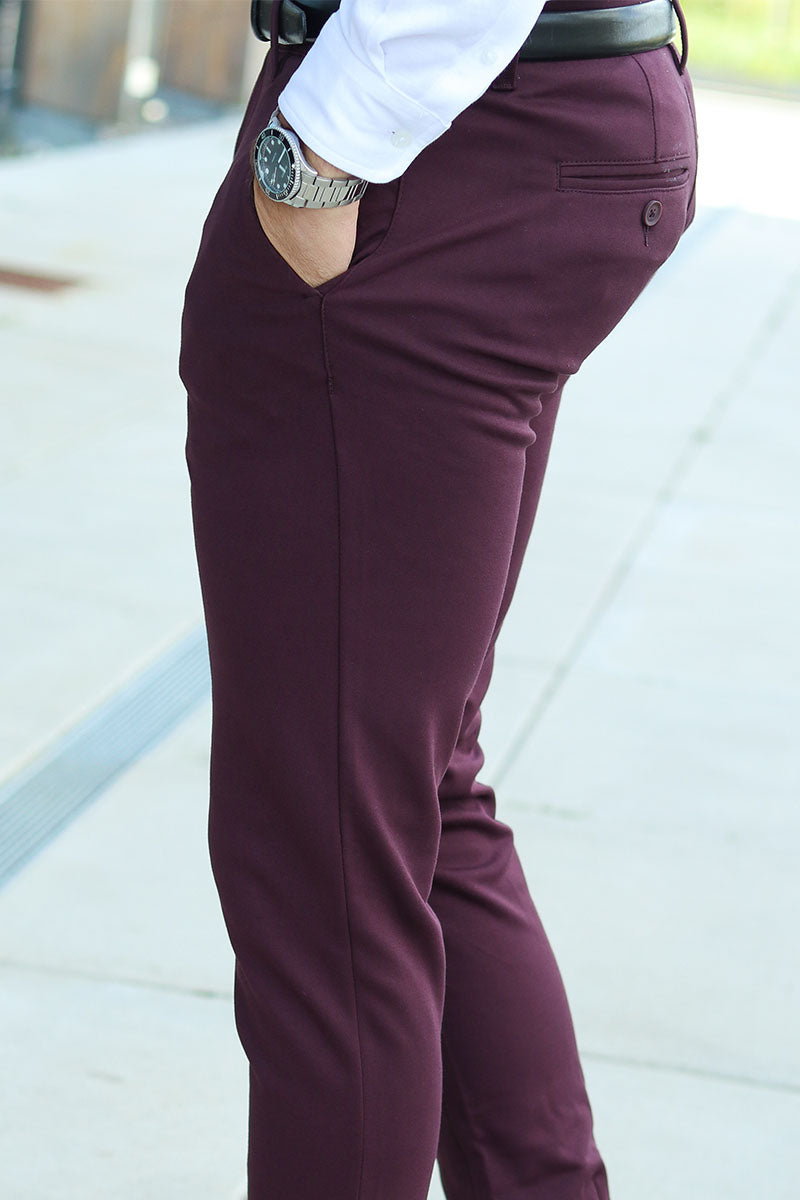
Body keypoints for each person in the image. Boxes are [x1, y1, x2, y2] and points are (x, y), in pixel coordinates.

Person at [178, 1, 698, 1196]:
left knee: (329, 860)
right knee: (410, 787)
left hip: (436, 145)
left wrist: (319, 151)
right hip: (536, 117)